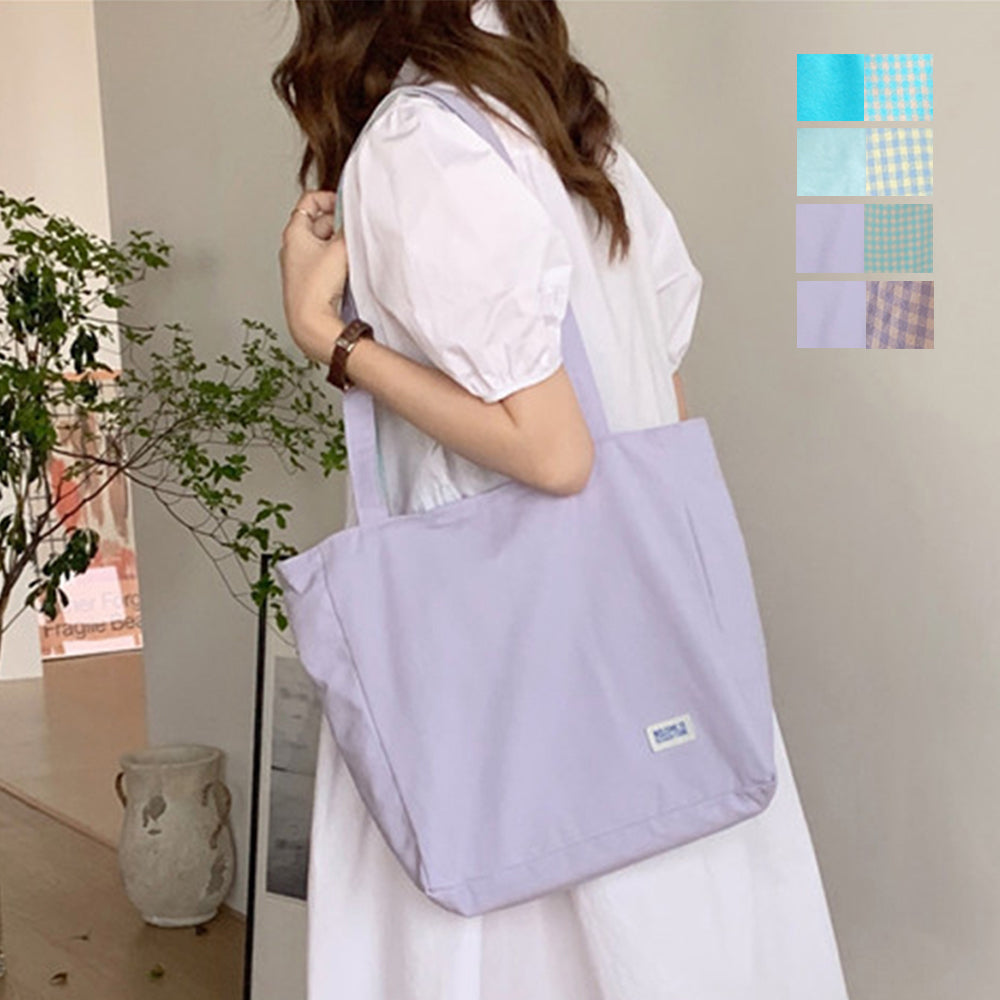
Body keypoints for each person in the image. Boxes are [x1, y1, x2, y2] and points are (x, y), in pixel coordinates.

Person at [275, 2, 852, 997]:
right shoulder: (570, 125)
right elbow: (657, 395)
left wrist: (325, 332)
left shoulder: (417, 143)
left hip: (508, 683)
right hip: (654, 655)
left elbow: (554, 453)